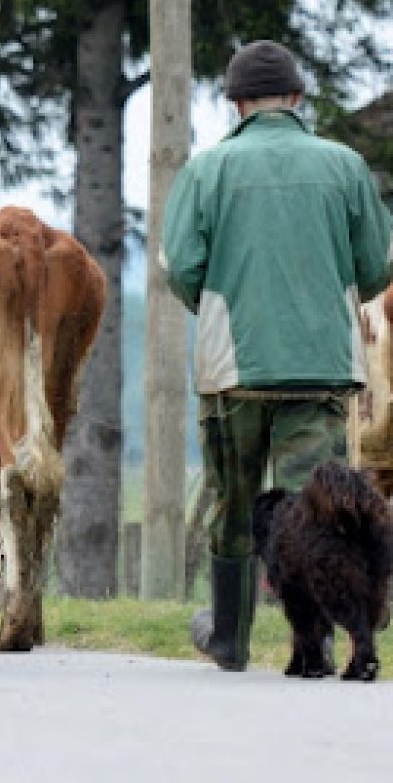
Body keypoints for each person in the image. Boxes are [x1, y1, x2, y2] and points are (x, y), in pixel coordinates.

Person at [161, 39, 393, 672]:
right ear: (296, 99)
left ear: (236, 104)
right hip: (322, 365)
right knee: (315, 506)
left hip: (232, 369)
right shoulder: (344, 166)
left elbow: (181, 267)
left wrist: (212, 308)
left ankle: (231, 638)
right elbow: (377, 267)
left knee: (233, 500)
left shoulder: (206, 170)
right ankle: (313, 642)